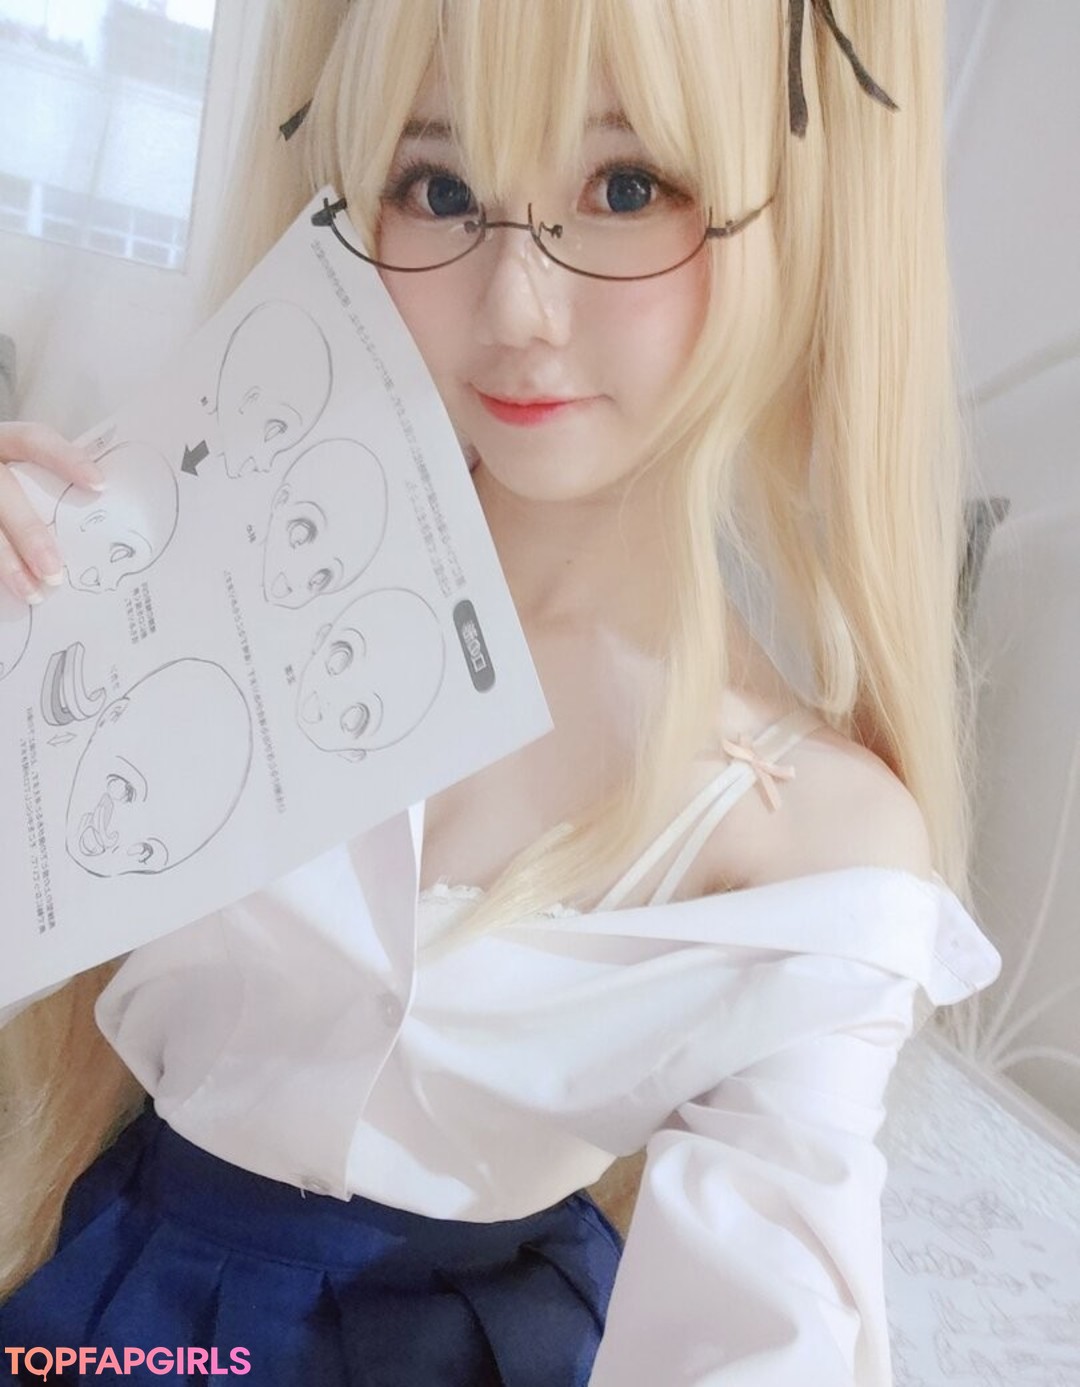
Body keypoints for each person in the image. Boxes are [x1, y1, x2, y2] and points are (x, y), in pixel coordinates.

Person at [0, 1, 1001, 1383]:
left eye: (628, 187)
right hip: (122, 1308)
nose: (517, 309)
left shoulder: (817, 845)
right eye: (439, 188)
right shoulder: (193, 571)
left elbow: (765, 1325)